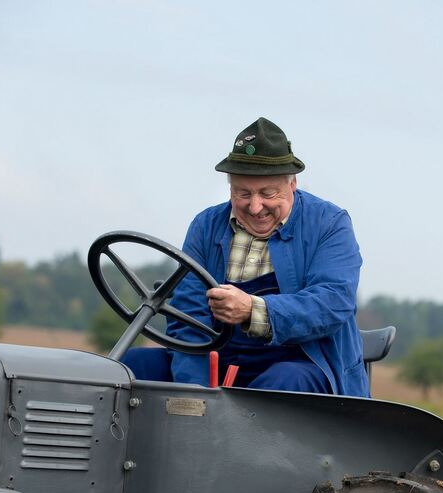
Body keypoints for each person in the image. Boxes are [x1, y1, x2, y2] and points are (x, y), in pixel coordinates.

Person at [126, 117, 370, 398]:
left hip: (303, 360)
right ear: (230, 187)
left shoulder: (329, 223)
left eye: (267, 193)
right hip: (215, 361)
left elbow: (332, 302)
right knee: (133, 368)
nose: (255, 207)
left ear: (292, 184)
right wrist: (197, 392)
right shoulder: (206, 226)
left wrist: (253, 311)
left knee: (283, 382)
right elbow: (189, 315)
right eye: (243, 193)